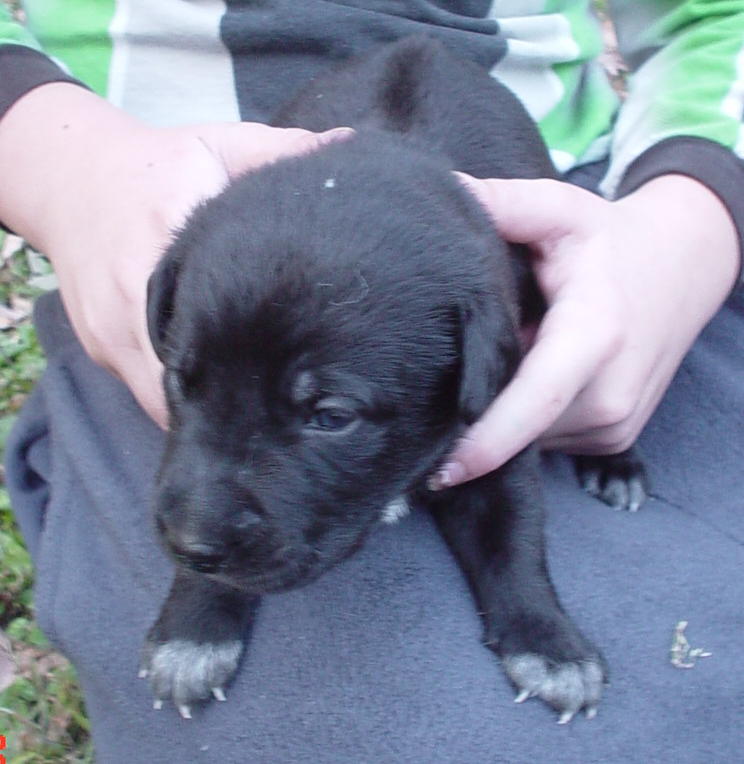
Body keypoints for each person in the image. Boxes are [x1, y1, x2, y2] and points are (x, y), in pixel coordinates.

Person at [1, 2, 743, 761]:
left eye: (325, 414)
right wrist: (58, 162)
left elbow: (719, 21)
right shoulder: (195, 266)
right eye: (187, 376)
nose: (196, 524)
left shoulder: (488, 302)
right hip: (143, 188)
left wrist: (695, 217)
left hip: (596, 220)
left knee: (689, 678)